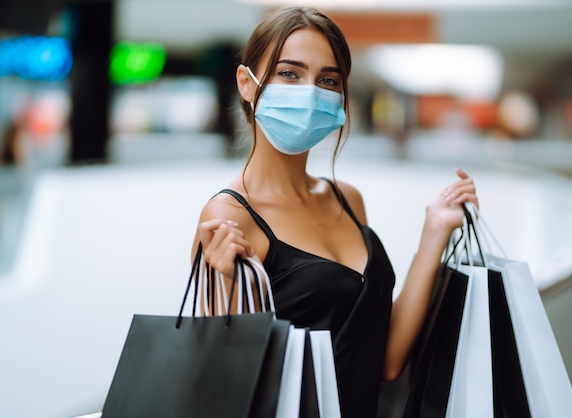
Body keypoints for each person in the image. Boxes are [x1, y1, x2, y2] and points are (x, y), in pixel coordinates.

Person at [191, 6, 478, 417]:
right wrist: (223, 300)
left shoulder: (348, 199)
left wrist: (434, 230)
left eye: (327, 79)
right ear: (247, 84)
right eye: (290, 73)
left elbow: (386, 361)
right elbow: (231, 384)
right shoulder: (228, 215)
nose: (310, 91)